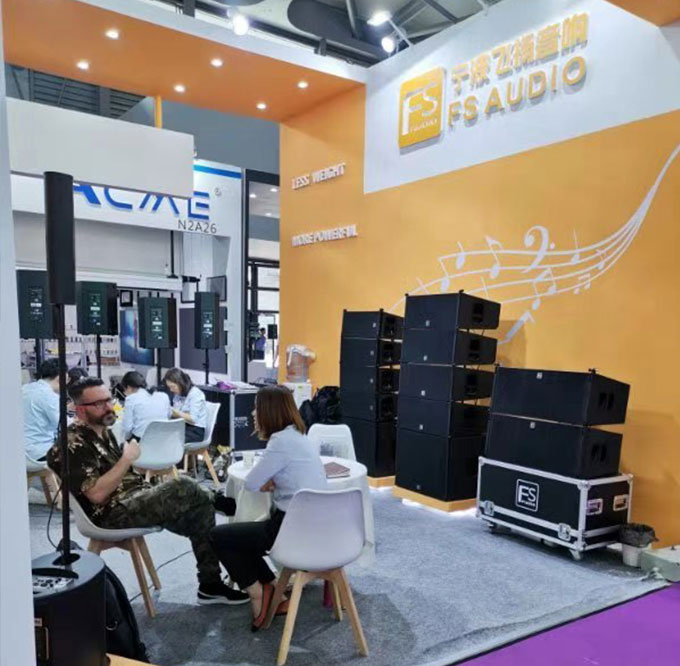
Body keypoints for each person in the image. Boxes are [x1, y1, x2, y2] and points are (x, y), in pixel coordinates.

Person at [47, 377, 247, 605]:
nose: (109, 407)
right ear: (80, 410)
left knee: (201, 510)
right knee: (182, 485)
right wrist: (127, 459)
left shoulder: (103, 431)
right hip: (109, 514)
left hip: (133, 499)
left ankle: (210, 585)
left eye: (109, 400)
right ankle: (217, 500)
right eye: (100, 404)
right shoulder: (72, 444)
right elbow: (97, 495)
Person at [210, 385, 328, 631]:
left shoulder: (280, 442)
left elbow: (252, 483)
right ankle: (272, 587)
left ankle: (257, 593)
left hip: (289, 530)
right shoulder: (298, 436)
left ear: (270, 412)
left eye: (256, 408)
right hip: (314, 527)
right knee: (244, 537)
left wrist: (269, 480)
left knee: (219, 536)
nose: (253, 413)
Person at [23, 358, 60, 461]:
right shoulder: (49, 395)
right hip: (40, 452)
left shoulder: (25, 388)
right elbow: (63, 424)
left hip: (22, 452)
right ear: (60, 378)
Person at [120, 371, 171, 440]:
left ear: (128, 388)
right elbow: (168, 416)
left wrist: (125, 441)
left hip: (141, 442)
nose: (125, 394)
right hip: (165, 440)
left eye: (124, 391)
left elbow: (127, 429)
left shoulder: (131, 399)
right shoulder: (164, 396)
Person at [164, 368, 208, 443]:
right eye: (169, 387)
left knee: (169, 439)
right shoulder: (178, 394)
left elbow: (193, 418)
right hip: (182, 426)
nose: (171, 390)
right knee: (159, 433)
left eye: (172, 387)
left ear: (180, 383)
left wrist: (177, 413)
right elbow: (178, 414)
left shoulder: (195, 394)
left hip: (195, 430)